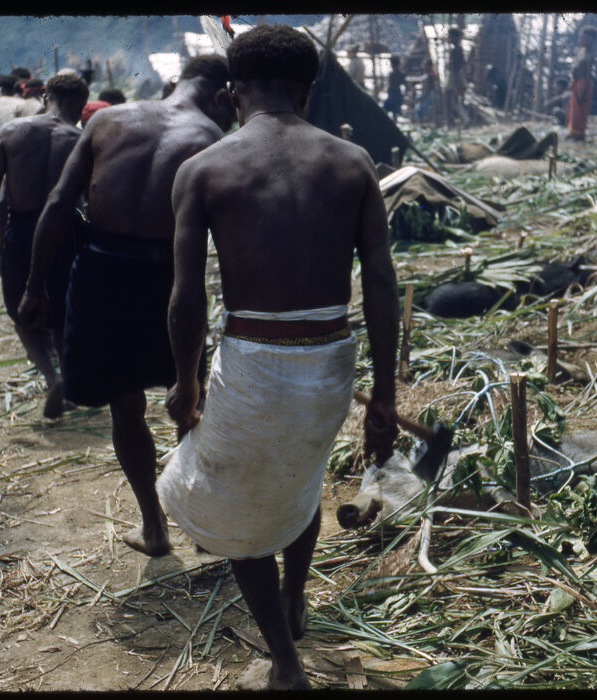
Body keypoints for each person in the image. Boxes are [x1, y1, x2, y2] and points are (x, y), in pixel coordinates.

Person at [160, 25, 399, 690]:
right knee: (298, 479)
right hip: (331, 359)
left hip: (255, 362)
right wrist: (385, 393)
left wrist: (185, 381)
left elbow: (186, 296)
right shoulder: (353, 163)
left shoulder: (205, 168)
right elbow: (381, 284)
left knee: (241, 509)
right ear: (308, 89)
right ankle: (294, 603)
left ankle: (284, 663)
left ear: (233, 94)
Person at [17, 55, 236, 557]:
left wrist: (35, 286)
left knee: (125, 404)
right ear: (224, 98)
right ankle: (202, 527)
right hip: (171, 281)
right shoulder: (213, 141)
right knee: (190, 400)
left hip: (102, 273)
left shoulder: (108, 120)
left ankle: (155, 527)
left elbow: (56, 205)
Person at [0, 73, 90, 419]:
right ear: (81, 107)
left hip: (21, 234)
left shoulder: (11, 133)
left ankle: (52, 377)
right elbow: (88, 202)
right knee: (60, 315)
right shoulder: (79, 141)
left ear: (45, 98)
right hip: (62, 234)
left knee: (22, 316)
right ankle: (66, 379)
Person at [566, 26, 597, 141]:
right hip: (577, 82)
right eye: (580, 38)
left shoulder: (590, 55)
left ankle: (579, 134)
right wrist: (572, 81)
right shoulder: (581, 51)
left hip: (584, 84)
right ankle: (572, 132)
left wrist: (583, 91)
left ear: (590, 40)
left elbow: (589, 75)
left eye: (583, 38)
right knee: (573, 110)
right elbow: (575, 68)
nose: (580, 40)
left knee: (581, 110)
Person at [446, 27, 467, 126]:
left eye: (450, 36)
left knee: (454, 100)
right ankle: (462, 119)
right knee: (454, 100)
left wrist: (454, 80)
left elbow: (456, 66)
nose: (449, 38)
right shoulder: (458, 49)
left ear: (454, 37)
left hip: (455, 76)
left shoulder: (456, 50)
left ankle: (465, 119)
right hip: (456, 75)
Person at [383, 55, 405, 120]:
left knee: (386, 108)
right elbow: (403, 83)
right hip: (398, 93)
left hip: (392, 93)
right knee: (395, 111)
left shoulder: (392, 73)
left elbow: (390, 85)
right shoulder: (401, 73)